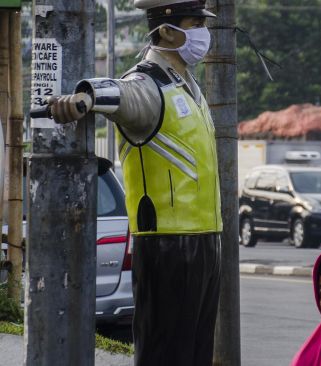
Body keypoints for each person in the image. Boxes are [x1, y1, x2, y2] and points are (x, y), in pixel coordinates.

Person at [46, 1, 222, 365]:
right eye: (195, 24)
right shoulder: (147, 84)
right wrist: (85, 97)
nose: (203, 34)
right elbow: (119, 93)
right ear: (167, 31)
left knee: (196, 351)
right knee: (166, 351)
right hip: (167, 244)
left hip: (206, 237)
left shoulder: (187, 86)